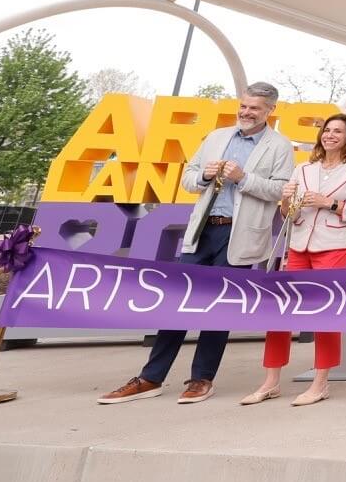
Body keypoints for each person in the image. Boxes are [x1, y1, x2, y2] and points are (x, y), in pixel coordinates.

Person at [99, 82, 295, 405]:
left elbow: (281, 190)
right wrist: (204, 175)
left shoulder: (280, 146)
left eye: (255, 108)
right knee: (178, 302)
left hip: (238, 236)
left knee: (221, 308)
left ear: (270, 111)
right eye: (244, 106)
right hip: (201, 231)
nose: (246, 112)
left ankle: (202, 378)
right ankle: (151, 377)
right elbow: (189, 179)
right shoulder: (217, 137)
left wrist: (243, 178)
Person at [244, 112, 346, 408]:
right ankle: (270, 382)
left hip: (334, 247)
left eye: (337, 131)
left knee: (326, 314)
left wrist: (329, 203)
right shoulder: (303, 168)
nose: (330, 135)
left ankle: (320, 383)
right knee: (280, 312)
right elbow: (288, 214)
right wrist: (286, 201)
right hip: (298, 246)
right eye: (327, 130)